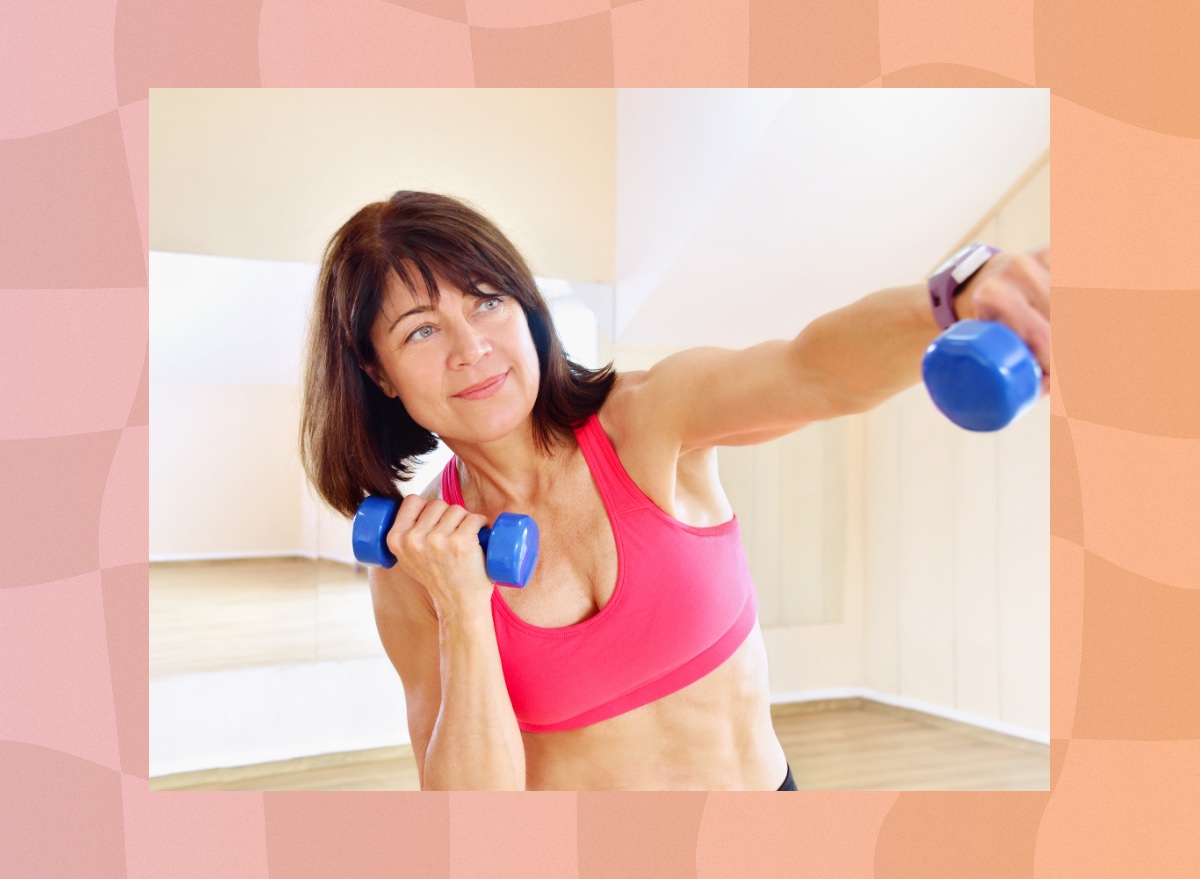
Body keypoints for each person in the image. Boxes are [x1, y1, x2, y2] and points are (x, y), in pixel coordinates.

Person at [299, 190, 1051, 791]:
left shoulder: (649, 418)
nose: (473, 349)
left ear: (526, 307)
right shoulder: (414, 559)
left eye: (487, 300)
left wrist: (950, 298)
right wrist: (464, 608)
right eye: (422, 332)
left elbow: (813, 370)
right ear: (377, 372)